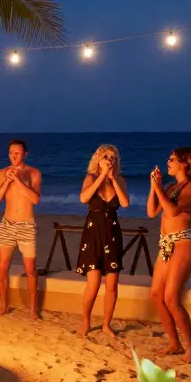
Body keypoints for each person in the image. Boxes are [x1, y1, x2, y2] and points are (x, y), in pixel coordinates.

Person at [148, 147, 191, 363]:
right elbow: (152, 211)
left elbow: (172, 211)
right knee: (156, 294)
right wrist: (154, 187)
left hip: (184, 243)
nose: (168, 161)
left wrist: (157, 187)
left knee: (172, 298)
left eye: (172, 159)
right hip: (166, 244)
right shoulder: (173, 187)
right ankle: (175, 343)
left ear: (184, 163)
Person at [75, 145, 130, 339]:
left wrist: (113, 179)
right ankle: (86, 321)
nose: (109, 160)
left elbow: (124, 203)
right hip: (93, 233)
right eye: (105, 156)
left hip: (112, 233)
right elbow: (83, 198)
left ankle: (106, 324)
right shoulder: (90, 178)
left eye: (113, 157)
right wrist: (101, 176)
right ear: (97, 159)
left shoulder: (119, 180)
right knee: (93, 282)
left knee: (112, 284)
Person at [0, 139, 42, 317]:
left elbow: (35, 199)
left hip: (26, 225)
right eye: (11, 152)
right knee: (2, 267)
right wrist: (6, 182)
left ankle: (33, 309)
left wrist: (18, 180)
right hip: (7, 224)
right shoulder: (2, 173)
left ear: (25, 154)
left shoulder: (33, 173)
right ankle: (4, 306)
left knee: (30, 270)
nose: (14, 155)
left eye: (18, 152)